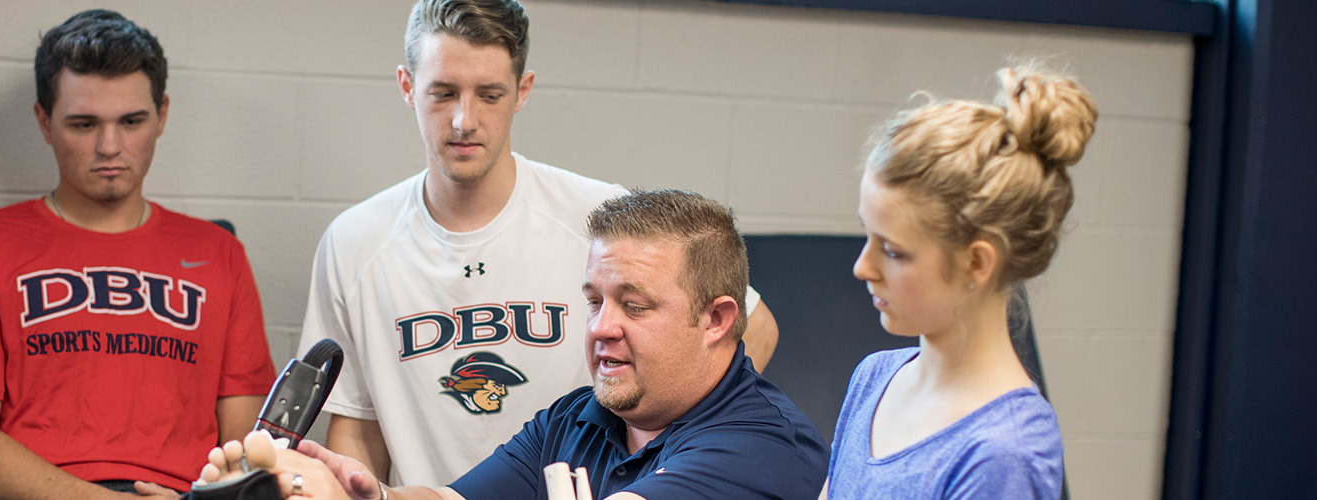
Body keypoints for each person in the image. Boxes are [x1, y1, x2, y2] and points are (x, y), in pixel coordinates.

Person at [296, 0, 782, 487]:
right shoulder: (354, 242)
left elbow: (754, 328)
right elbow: (358, 423)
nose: (465, 120)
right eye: (443, 93)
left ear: (522, 91)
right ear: (407, 86)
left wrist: (657, 459)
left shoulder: (601, 223)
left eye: (489, 95)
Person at [210, 189, 829, 500]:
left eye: (634, 306)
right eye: (594, 301)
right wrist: (357, 492)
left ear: (719, 319)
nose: (600, 328)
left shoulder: (759, 448)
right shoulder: (580, 417)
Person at [0, 9, 277, 498]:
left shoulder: (218, 254)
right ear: (44, 122)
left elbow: (247, 446)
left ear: (161, 115)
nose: (110, 146)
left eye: (131, 121)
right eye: (83, 124)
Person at [820, 66, 1097, 499]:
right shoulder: (874, 378)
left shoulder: (1003, 452)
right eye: (867, 236)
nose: (863, 267)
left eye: (893, 251)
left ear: (976, 263)